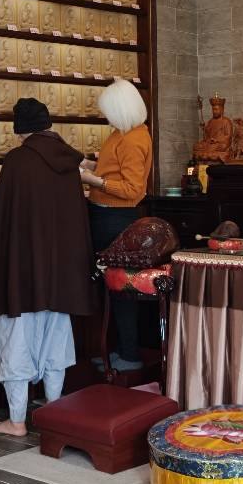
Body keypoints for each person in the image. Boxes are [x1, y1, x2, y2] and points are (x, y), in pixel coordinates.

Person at [0, 97, 95, 437]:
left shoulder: (18, 161)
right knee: (57, 337)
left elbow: (3, 220)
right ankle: (54, 411)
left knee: (15, 338)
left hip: (22, 271)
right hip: (62, 273)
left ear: (20, 129)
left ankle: (17, 420)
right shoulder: (68, 162)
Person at [80, 78, 153, 371]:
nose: (105, 116)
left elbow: (132, 189)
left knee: (120, 286)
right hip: (105, 214)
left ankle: (130, 354)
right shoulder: (121, 134)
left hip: (116, 218)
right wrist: (91, 166)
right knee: (112, 288)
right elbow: (114, 170)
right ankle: (120, 351)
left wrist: (93, 180)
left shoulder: (133, 140)